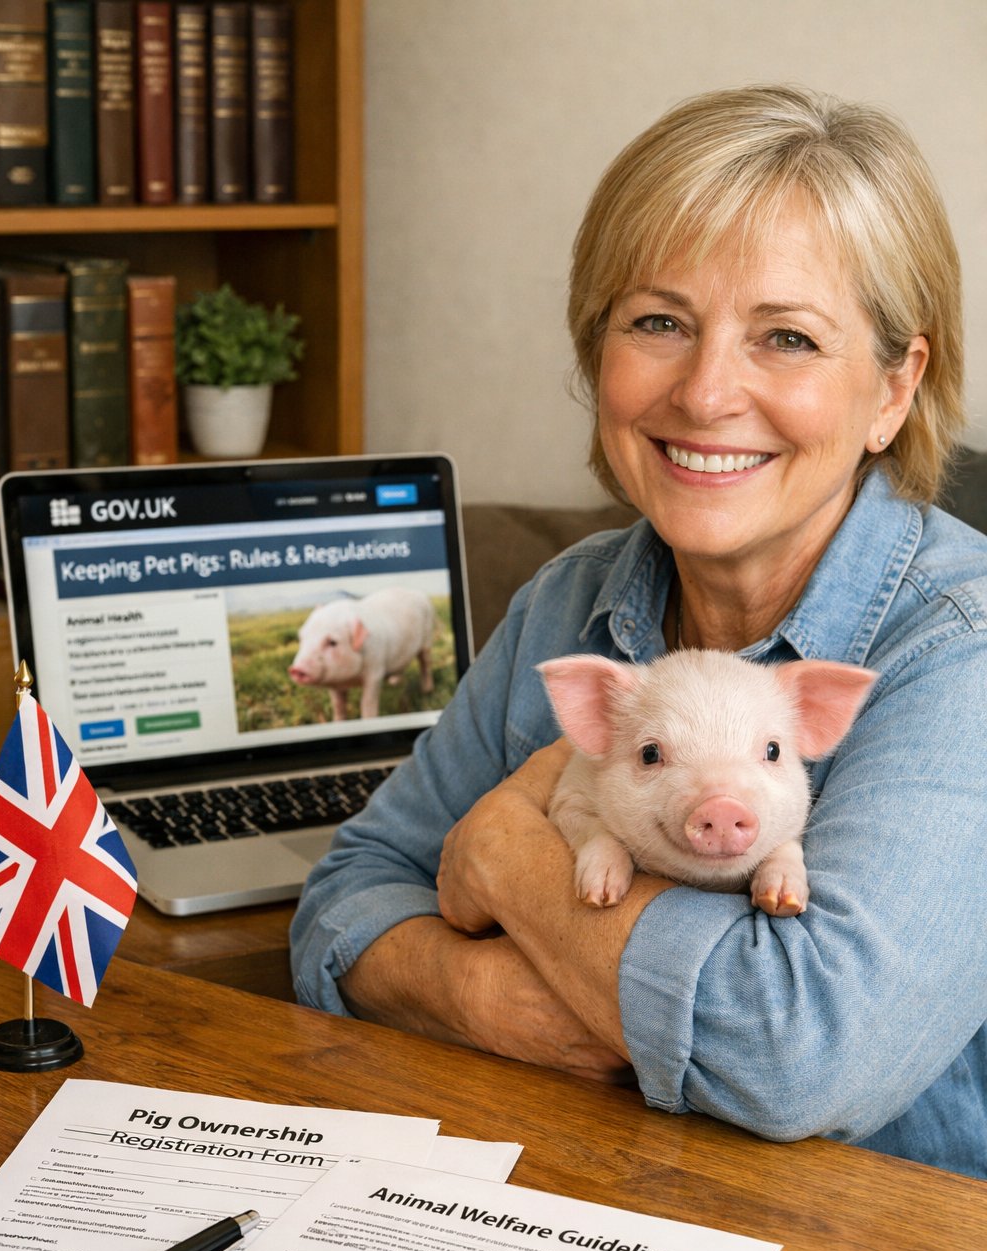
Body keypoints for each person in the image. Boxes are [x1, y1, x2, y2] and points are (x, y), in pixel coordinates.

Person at [290, 85, 987, 1179]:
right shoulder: (571, 602)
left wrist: (505, 859)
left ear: (895, 387)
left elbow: (797, 1057)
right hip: (582, 1207)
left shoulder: (959, 650)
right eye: (657, 322)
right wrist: (489, 997)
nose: (705, 393)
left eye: (788, 338)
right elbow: (345, 899)